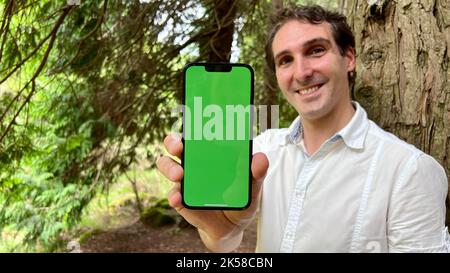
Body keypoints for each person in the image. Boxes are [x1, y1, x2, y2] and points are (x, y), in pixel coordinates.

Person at [157, 5, 450, 252]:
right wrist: (220, 230)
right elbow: (226, 242)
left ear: (349, 58)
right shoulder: (262, 152)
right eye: (285, 60)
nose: (302, 72)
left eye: (316, 50)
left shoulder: (410, 172)